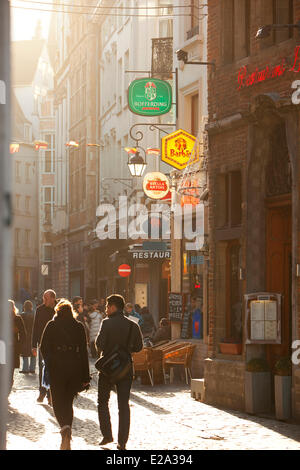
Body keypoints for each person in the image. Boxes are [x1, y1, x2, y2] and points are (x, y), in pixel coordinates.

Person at [40, 299, 90, 450]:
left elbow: (43, 347)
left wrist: (49, 362)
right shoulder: (79, 326)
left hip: (56, 367)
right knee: (68, 401)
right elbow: (83, 352)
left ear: (57, 311)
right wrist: (86, 376)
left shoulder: (51, 325)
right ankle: (67, 427)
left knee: (57, 401)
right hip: (74, 367)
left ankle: (64, 428)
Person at [96, 294, 143, 450]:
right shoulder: (133, 325)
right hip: (125, 369)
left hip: (108, 369)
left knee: (102, 401)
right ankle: (122, 442)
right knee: (123, 405)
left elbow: (100, 344)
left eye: (107, 306)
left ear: (113, 307)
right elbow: (138, 348)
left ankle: (107, 435)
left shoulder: (106, 323)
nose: (106, 309)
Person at [32, 289, 57, 404]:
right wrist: (33, 345)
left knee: (54, 369)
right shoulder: (39, 310)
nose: (44, 300)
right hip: (42, 345)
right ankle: (42, 392)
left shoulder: (59, 309)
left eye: (46, 298)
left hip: (56, 345)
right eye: (43, 298)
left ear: (53, 298)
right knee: (43, 368)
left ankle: (51, 395)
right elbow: (35, 328)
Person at [8, 300, 26, 393]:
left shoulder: (17, 319)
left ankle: (7, 389)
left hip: (13, 349)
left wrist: (19, 346)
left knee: (10, 370)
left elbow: (23, 334)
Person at [20, 300, 36, 374]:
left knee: (25, 353)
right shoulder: (34, 314)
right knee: (33, 352)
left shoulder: (22, 315)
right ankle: (32, 369)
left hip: (25, 336)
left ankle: (25, 369)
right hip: (33, 336)